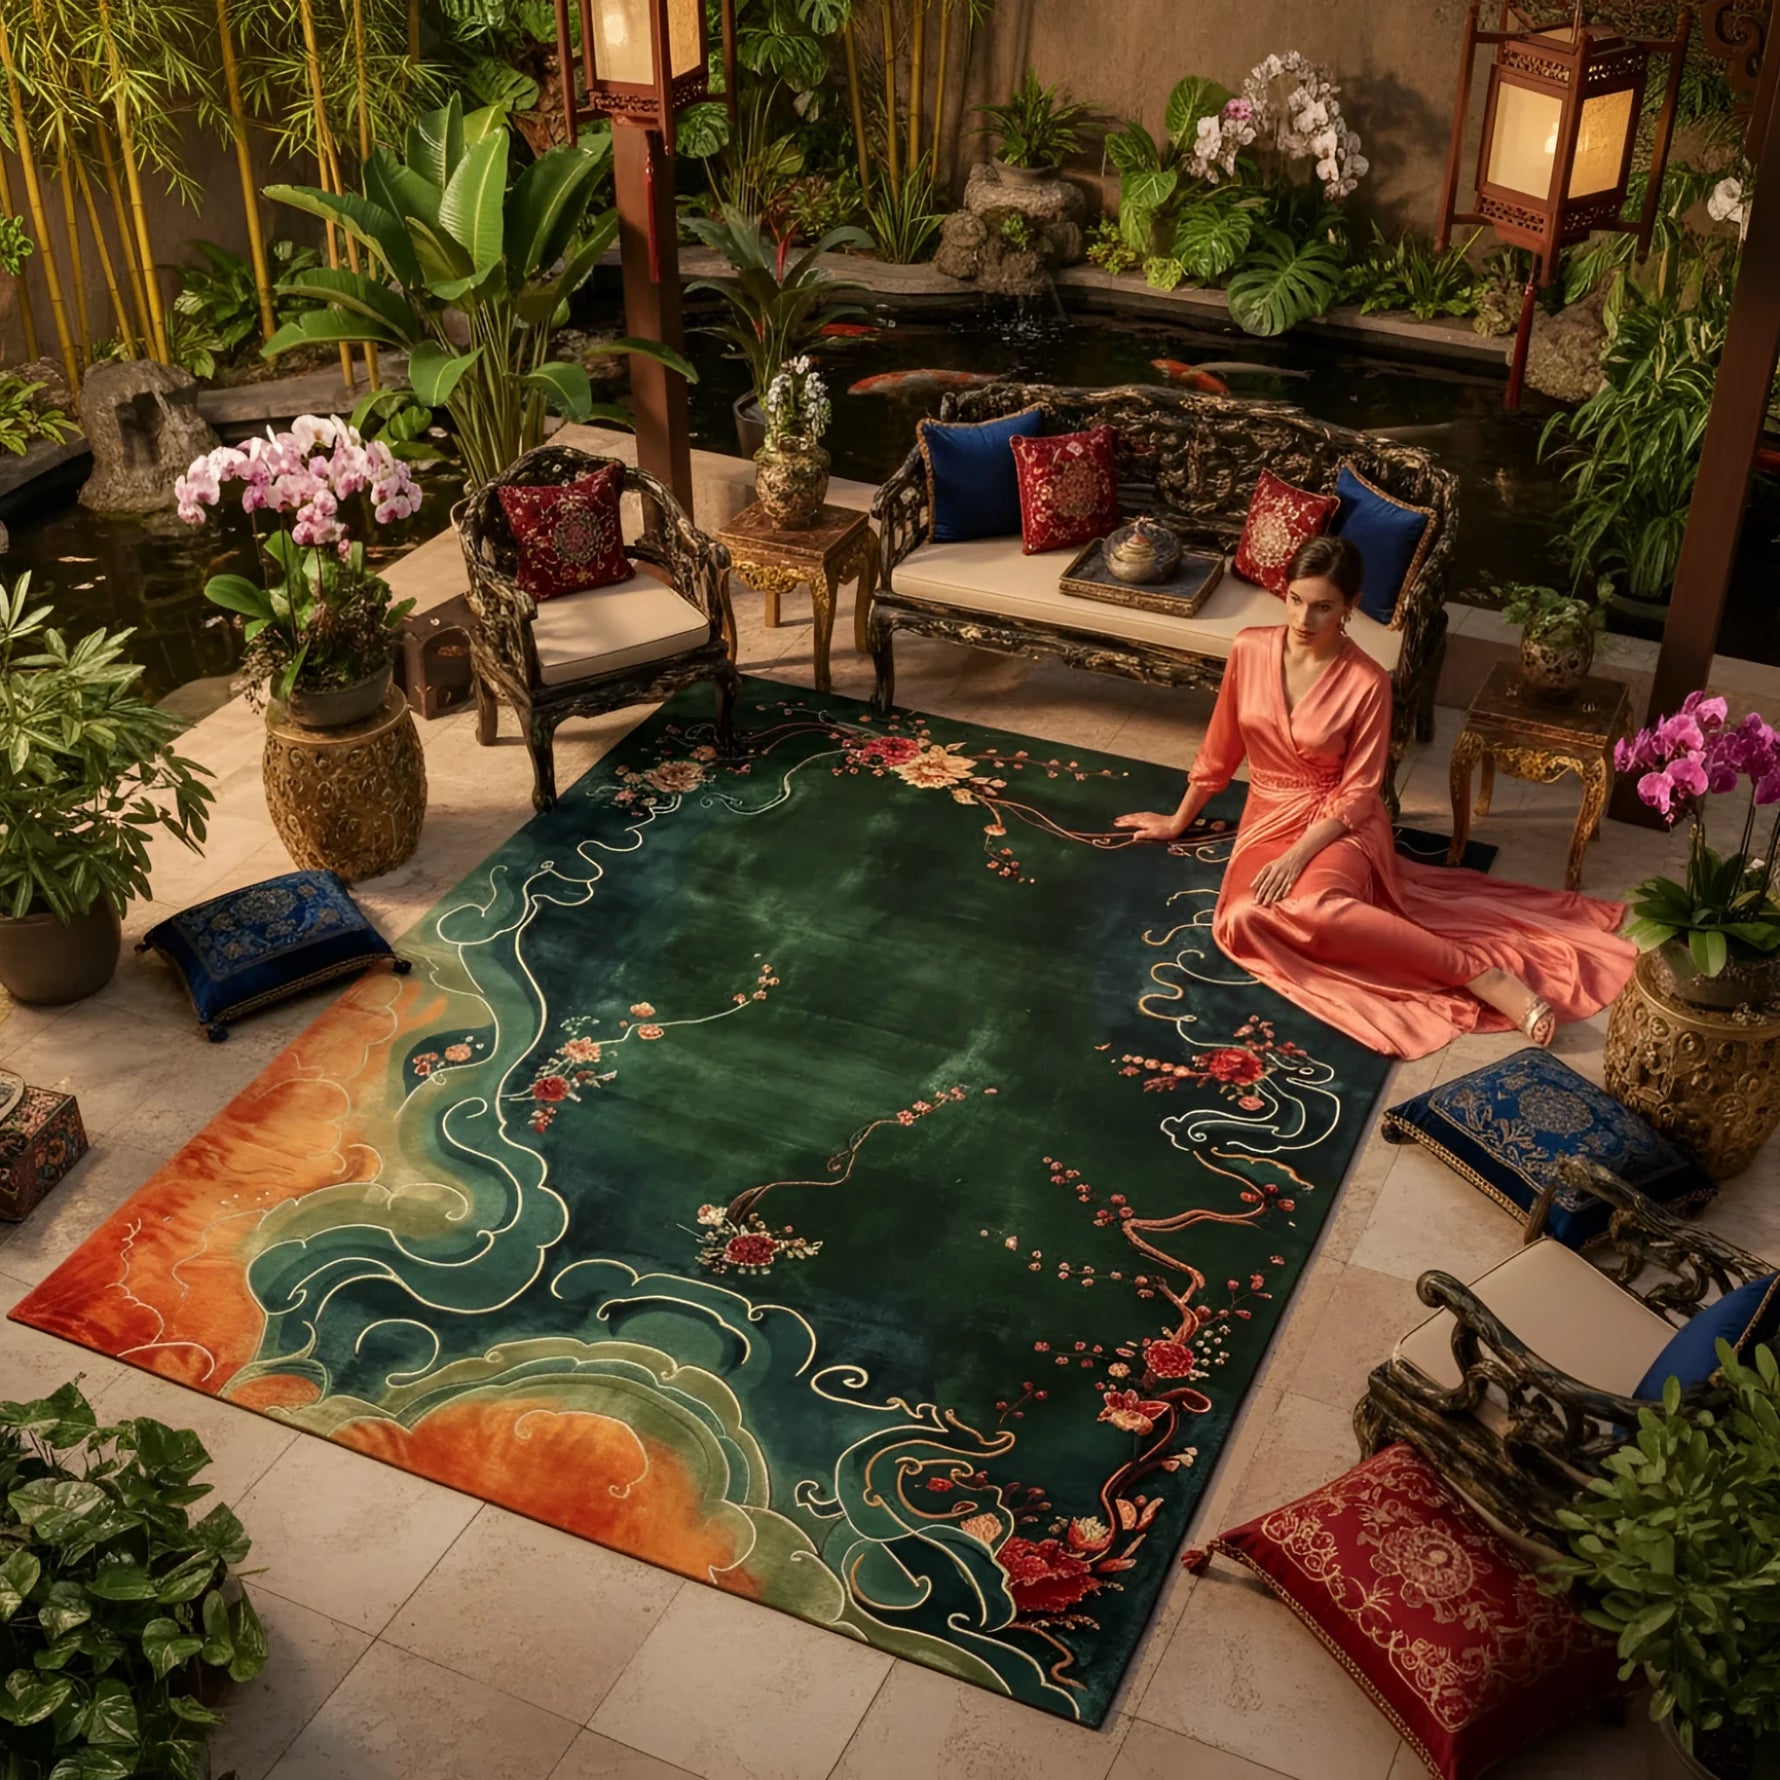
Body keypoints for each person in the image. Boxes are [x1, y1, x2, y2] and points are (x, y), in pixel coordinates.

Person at [1114, 535, 1636, 1060]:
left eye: (1323, 607)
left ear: (1349, 607)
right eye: (1296, 599)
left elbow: (1360, 792)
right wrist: (1178, 820)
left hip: (1341, 820)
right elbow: (1220, 749)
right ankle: (1430, 955)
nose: (1304, 619)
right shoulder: (1250, 648)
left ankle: (1481, 975)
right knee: (1244, 919)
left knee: (1315, 905)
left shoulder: (1367, 681)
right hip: (1269, 811)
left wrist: (1299, 856)